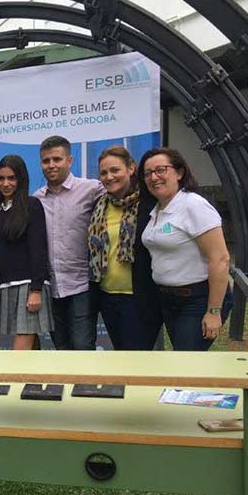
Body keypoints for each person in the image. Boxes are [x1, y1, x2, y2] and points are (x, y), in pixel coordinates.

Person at [139, 147, 232, 350]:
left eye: (161, 170)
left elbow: (220, 259)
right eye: (148, 173)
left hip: (197, 299)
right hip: (169, 300)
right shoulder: (157, 210)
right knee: (184, 361)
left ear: (179, 173)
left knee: (186, 361)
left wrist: (214, 311)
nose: (154, 177)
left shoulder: (193, 205)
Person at [33, 135, 104, 350]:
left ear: (70, 160)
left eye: (57, 159)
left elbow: (122, 195)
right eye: (46, 161)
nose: (51, 165)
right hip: (51, 287)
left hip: (81, 285)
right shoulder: (36, 198)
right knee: (61, 348)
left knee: (82, 347)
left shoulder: (92, 189)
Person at [87, 145, 159, 350]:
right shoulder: (100, 205)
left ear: (131, 168)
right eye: (103, 173)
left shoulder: (150, 203)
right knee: (121, 354)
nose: (109, 177)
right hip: (107, 296)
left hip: (139, 298)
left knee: (136, 357)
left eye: (115, 170)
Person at [0, 155, 53, 350]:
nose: (5, 184)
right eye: (1, 178)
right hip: (6, 284)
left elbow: (38, 249)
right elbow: (5, 252)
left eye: (11, 178)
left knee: (20, 350)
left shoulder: (31, 205)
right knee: (30, 346)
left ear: (21, 179)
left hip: (28, 286)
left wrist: (36, 290)